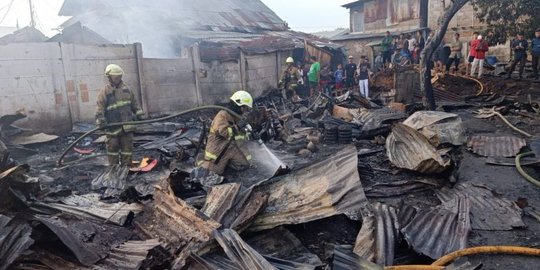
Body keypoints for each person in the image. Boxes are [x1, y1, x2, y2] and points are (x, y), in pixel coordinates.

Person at [195, 91, 253, 185]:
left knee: (244, 164)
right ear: (237, 105)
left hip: (231, 148)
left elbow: (240, 137)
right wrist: (238, 127)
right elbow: (223, 132)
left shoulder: (237, 117)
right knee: (212, 174)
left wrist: (248, 134)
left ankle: (227, 163)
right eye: (244, 108)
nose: (245, 111)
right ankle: (201, 161)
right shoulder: (222, 115)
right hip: (218, 151)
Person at [96, 64, 144, 166]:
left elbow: (134, 104)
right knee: (112, 150)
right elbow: (100, 109)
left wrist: (139, 114)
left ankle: (126, 171)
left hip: (127, 127)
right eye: (116, 76)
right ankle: (114, 172)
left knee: (127, 150)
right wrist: (101, 122)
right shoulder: (105, 92)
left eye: (119, 76)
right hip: (112, 128)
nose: (118, 78)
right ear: (109, 77)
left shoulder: (127, 89)